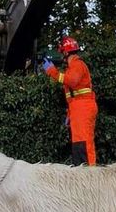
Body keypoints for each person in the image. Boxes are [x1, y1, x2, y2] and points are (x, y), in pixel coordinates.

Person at [42, 36, 98, 166]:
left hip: (83, 108)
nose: (61, 55)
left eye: (62, 52)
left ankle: (89, 175)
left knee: (83, 143)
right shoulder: (73, 67)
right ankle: (82, 173)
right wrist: (69, 114)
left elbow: (71, 81)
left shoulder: (78, 64)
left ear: (66, 52)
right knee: (80, 143)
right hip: (79, 108)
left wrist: (52, 71)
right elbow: (74, 94)